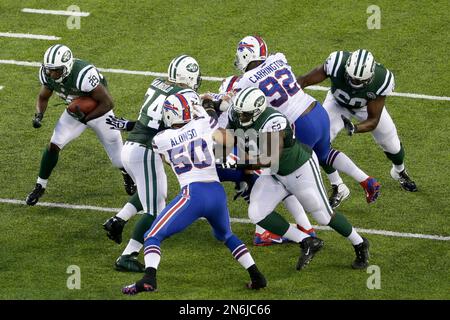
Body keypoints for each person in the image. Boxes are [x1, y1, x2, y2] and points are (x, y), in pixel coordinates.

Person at [122, 92, 267, 294]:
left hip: (193, 194)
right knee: (226, 235)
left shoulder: (160, 140)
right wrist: (209, 115)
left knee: (153, 235)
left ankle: (149, 278)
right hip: (216, 192)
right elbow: (228, 141)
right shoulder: (203, 125)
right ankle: (256, 275)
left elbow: (168, 158)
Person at [224, 87, 370, 270]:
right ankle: (307, 241)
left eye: (245, 115)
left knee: (323, 216)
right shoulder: (236, 113)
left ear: (257, 111)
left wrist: (237, 163)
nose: (240, 118)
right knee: (257, 213)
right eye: (239, 113)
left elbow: (270, 158)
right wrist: (222, 153)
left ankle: (359, 243)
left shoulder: (274, 121)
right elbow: (227, 137)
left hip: (299, 169)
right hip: (274, 174)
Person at [230, 36, 381, 209]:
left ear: (245, 55)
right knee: (325, 154)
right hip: (317, 111)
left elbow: (242, 107)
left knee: (281, 171)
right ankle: (366, 181)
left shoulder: (246, 81)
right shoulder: (278, 58)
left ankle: (291, 223)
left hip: (298, 123)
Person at [103, 55, 203, 273]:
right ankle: (128, 255)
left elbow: (151, 120)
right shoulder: (186, 94)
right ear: (189, 76)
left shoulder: (159, 83)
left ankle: (118, 220)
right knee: (156, 210)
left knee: (156, 193)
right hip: (146, 151)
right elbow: (186, 122)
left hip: (133, 148)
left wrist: (128, 124)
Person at [208, 76, 316, 246]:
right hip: (222, 153)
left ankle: (304, 228)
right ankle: (267, 231)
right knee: (265, 178)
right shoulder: (235, 111)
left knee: (269, 178)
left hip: (219, 153)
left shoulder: (218, 105)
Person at [26, 44, 136, 206]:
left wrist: (86, 118)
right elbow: (43, 97)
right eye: (49, 69)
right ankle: (40, 185)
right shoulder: (48, 74)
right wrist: (39, 115)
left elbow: (108, 103)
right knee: (54, 144)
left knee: (118, 158)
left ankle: (125, 172)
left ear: (67, 67)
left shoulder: (83, 74)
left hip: (99, 110)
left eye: (56, 70)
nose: (51, 73)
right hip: (75, 111)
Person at [297, 49, 417, 192]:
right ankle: (338, 185)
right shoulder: (337, 62)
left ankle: (399, 171)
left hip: (365, 107)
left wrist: (355, 128)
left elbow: (373, 120)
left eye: (359, 80)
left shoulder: (381, 79)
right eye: (352, 78)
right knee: (319, 142)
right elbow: (304, 80)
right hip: (337, 102)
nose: (354, 82)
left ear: (370, 77)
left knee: (392, 144)